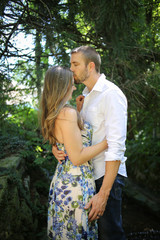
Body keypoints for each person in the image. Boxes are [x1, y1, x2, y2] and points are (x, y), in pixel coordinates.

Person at [52, 46, 128, 240]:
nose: (71, 69)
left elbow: (116, 147)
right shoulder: (84, 96)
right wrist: (57, 147)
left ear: (91, 66)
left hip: (105, 175)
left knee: (111, 235)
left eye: (75, 64)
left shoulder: (111, 94)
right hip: (85, 178)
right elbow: (74, 135)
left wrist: (103, 194)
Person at [40, 66, 108, 240]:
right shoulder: (67, 114)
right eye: (71, 83)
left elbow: (68, 140)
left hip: (63, 183)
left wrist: (78, 111)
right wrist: (107, 143)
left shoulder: (56, 113)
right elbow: (77, 157)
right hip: (76, 186)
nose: (74, 87)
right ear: (62, 86)